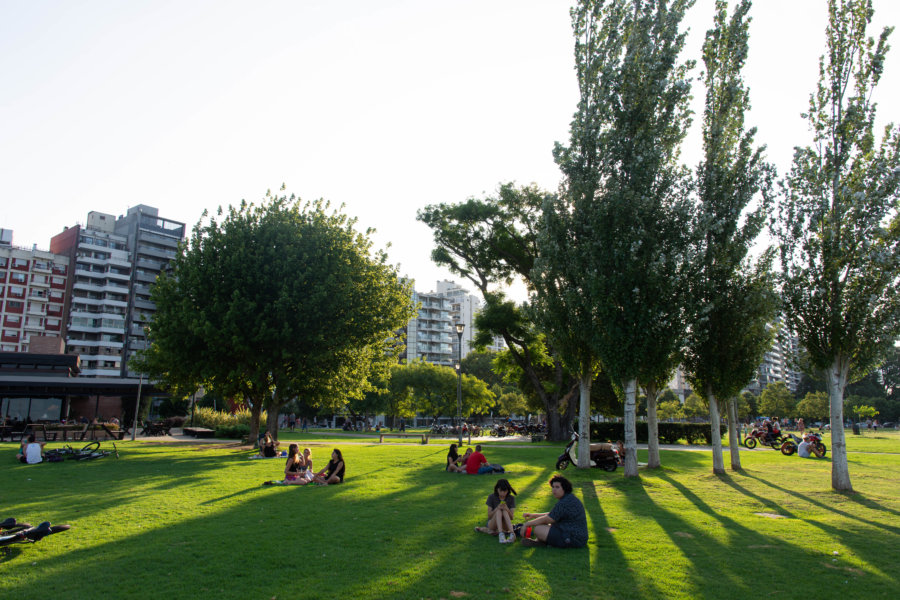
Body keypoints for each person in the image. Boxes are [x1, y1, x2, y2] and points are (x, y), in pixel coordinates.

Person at [518, 475, 588, 548]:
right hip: (575, 537)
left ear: (565, 488)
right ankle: (541, 542)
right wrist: (534, 515)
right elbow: (553, 514)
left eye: (557, 487)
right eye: (553, 487)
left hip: (573, 538)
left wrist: (527, 524)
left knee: (538, 529)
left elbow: (549, 519)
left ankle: (542, 543)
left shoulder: (565, 501)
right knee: (541, 525)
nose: (554, 490)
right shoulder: (568, 498)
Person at [475, 479, 518, 543]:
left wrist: (507, 509)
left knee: (504, 511)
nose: (503, 493)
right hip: (492, 523)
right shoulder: (491, 497)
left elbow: (511, 517)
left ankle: (512, 534)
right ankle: (501, 534)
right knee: (499, 511)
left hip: (505, 525)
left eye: (505, 491)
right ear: (497, 489)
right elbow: (489, 516)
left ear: (508, 490)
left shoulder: (511, 498)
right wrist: (496, 508)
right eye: (501, 491)